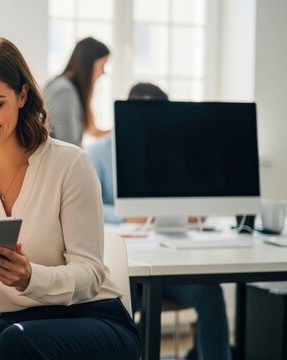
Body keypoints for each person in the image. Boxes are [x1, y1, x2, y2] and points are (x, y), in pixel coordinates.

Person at [0, 36, 140, 360]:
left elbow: (90, 275)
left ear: (22, 96)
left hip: (93, 319)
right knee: (8, 339)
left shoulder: (70, 164)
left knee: (10, 343)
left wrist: (31, 277)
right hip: (20, 326)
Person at [85, 82, 232, 360]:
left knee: (210, 292)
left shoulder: (172, 150)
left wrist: (191, 210)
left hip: (169, 261)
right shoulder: (96, 153)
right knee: (124, 301)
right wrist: (129, 214)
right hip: (124, 266)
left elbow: (199, 195)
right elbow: (87, 209)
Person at [44, 37, 110, 146]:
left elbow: (92, 131)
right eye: (102, 65)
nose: (103, 72)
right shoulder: (64, 91)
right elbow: (68, 143)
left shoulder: (69, 88)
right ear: (88, 64)